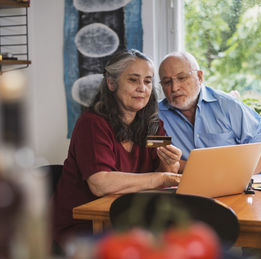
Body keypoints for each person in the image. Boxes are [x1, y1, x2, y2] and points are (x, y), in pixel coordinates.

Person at [52, 49, 182, 249]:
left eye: (147, 81)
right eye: (133, 80)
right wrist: (164, 177)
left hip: (130, 222)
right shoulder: (92, 123)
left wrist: (169, 163)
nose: (142, 88)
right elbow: (100, 183)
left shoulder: (153, 124)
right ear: (111, 83)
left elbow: (165, 173)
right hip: (84, 230)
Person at [158, 51, 261, 173]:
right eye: (167, 82)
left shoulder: (228, 106)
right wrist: (215, 171)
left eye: (182, 78)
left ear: (199, 77)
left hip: (245, 186)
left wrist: (234, 175)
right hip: (192, 189)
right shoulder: (156, 117)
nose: (174, 87)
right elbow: (160, 162)